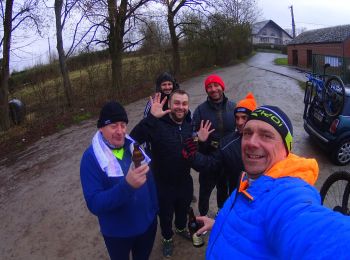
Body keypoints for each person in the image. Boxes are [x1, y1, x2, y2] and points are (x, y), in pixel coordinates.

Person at [195, 105, 350, 258]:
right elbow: (248, 227)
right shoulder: (249, 180)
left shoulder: (287, 194)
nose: (251, 142)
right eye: (248, 133)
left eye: (266, 135)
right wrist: (221, 226)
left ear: (286, 148)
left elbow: (321, 235)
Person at [80, 101, 158, 260]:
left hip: (147, 225)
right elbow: (94, 203)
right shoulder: (91, 158)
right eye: (114, 125)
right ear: (101, 128)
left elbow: (150, 181)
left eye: (123, 125)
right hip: (117, 233)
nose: (120, 131)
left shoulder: (133, 147)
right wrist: (127, 186)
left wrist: (154, 211)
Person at [130, 90, 194, 258]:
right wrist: (150, 118)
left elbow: (193, 150)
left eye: (184, 104)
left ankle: (180, 228)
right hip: (163, 184)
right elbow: (132, 140)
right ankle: (167, 238)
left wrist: (199, 140)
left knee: (182, 211)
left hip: (185, 182)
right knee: (165, 217)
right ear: (170, 105)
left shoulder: (189, 123)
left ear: (188, 106)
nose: (181, 107)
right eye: (177, 103)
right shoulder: (157, 124)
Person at [183, 93, 257, 199]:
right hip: (236, 197)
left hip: (261, 196)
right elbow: (209, 163)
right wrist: (193, 145)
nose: (239, 122)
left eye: (244, 118)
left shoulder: (267, 141)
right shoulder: (228, 143)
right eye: (237, 118)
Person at [192, 74, 236, 216]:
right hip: (208, 159)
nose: (213, 89)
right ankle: (203, 217)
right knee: (205, 192)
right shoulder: (200, 110)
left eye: (216, 85)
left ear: (222, 87)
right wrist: (198, 138)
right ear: (206, 90)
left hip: (227, 160)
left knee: (224, 189)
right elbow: (191, 134)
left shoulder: (233, 107)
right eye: (209, 87)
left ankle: (220, 213)